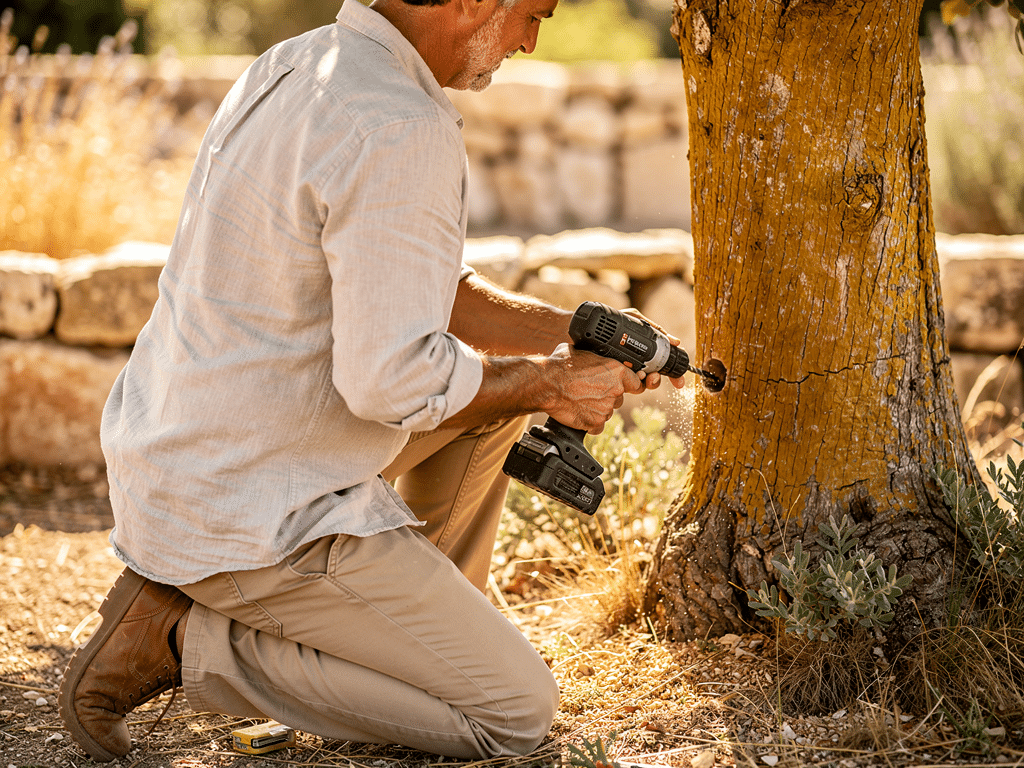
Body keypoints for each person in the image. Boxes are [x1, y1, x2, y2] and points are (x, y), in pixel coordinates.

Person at [58, 0, 686, 761]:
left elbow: (415, 289)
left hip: (188, 460)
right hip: (252, 514)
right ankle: (182, 638)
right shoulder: (398, 126)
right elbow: (390, 383)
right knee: (515, 714)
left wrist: (580, 333)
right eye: (533, 13)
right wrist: (550, 384)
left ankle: (403, 655)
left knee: (488, 402)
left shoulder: (298, 64)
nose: (530, 40)